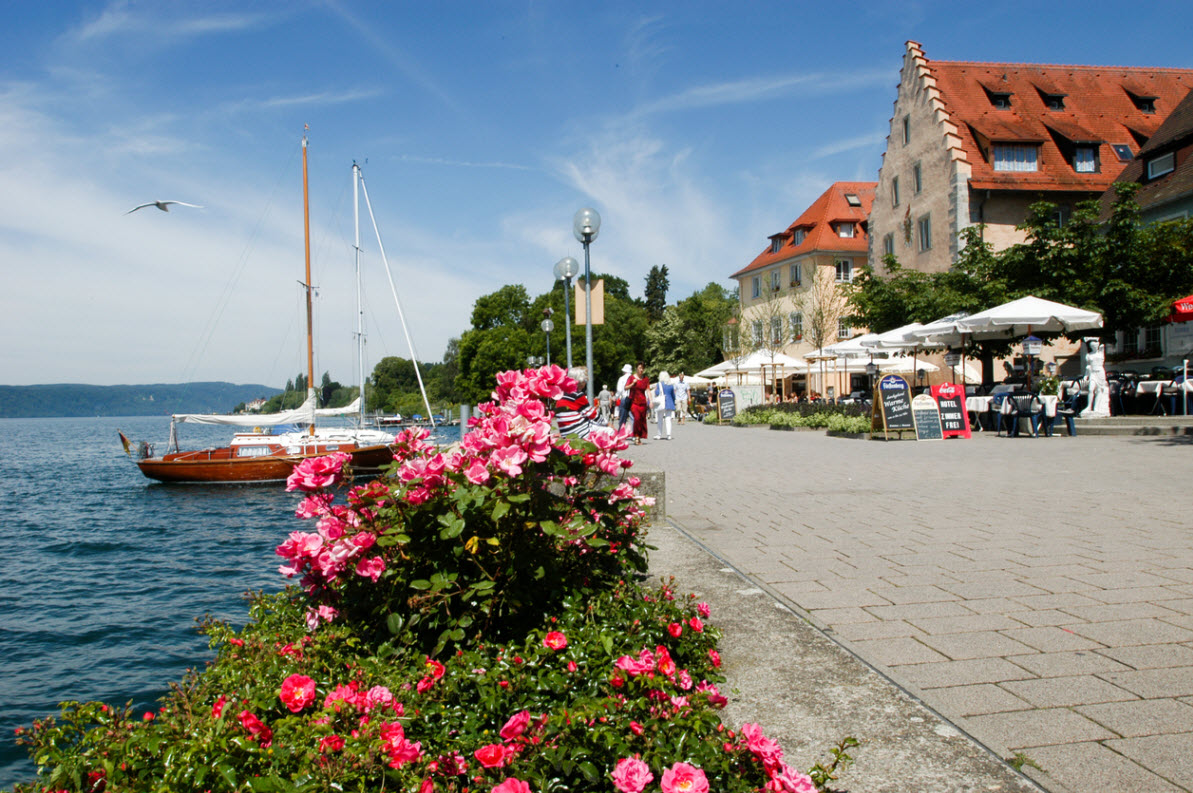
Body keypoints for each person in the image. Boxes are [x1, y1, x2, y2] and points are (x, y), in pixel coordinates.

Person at [554, 367, 603, 439]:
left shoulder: (561, 395)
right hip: (580, 433)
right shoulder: (577, 395)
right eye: (585, 381)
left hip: (565, 432)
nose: (585, 383)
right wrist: (607, 423)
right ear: (580, 381)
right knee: (610, 431)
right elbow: (592, 414)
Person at [627, 361, 651, 444]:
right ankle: (636, 437)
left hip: (643, 402)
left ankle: (639, 437)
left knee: (641, 420)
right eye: (640, 368)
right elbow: (626, 387)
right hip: (634, 402)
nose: (641, 370)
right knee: (636, 418)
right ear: (636, 368)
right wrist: (633, 383)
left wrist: (650, 401)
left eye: (642, 368)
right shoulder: (631, 378)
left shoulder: (646, 379)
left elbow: (648, 390)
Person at [652, 371, 676, 440]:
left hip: (661, 403)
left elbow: (657, 393)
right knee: (668, 419)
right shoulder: (670, 385)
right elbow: (673, 395)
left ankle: (659, 434)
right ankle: (669, 435)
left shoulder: (659, 384)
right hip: (669, 402)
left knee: (660, 419)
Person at [615, 364, 633, 430]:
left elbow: (619, 390)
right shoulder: (634, 378)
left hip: (624, 398)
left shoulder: (621, 378)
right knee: (632, 416)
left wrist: (616, 397)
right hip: (633, 398)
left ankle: (621, 431)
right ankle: (635, 433)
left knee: (623, 416)